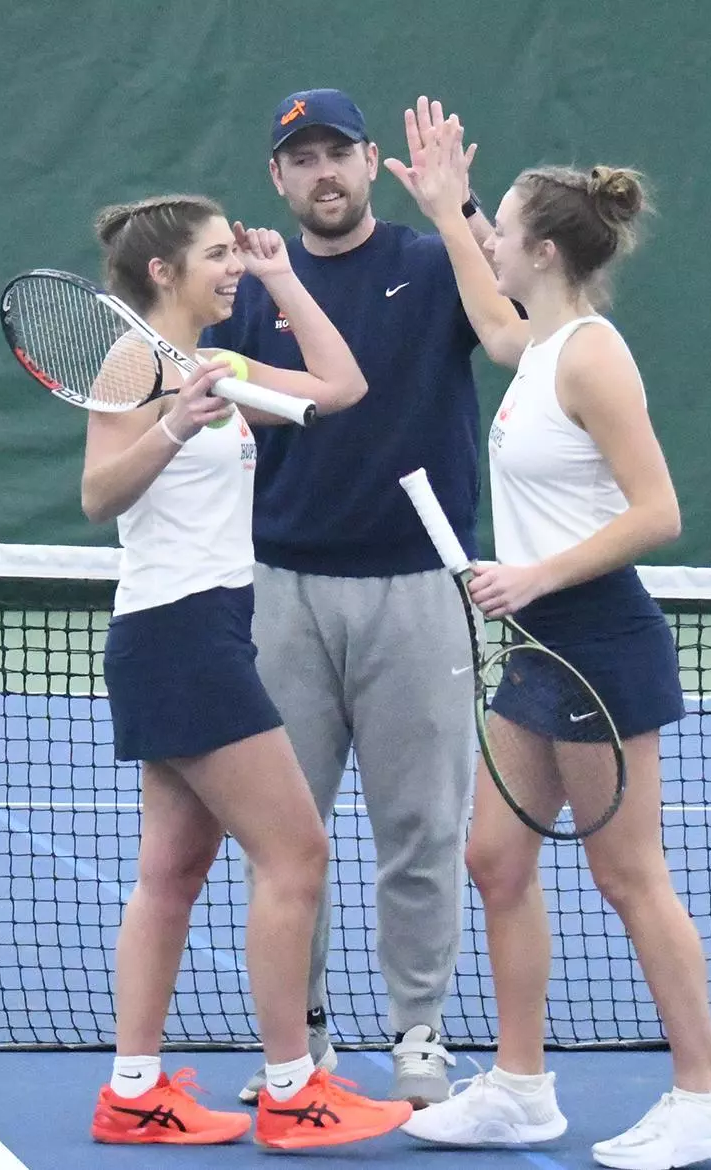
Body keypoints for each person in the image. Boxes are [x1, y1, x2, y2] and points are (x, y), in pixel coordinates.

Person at [387, 113, 711, 1168]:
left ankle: (707, 1095)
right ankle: (518, 1088)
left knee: (629, 876)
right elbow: (492, 319)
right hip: (539, 646)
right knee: (496, 859)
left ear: (544, 250)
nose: (490, 239)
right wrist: (447, 210)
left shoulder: (593, 356)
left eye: (501, 227)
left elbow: (658, 512)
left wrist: (534, 574)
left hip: (598, 638)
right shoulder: (538, 345)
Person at [81, 192, 413, 1150]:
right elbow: (100, 494)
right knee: (296, 854)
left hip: (212, 625)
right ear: (163, 272)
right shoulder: (135, 360)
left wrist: (281, 277)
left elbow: (341, 385)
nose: (233, 266)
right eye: (220, 255)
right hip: (177, 633)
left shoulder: (214, 360)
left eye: (236, 254)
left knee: (173, 874)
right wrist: (178, 423)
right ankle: (292, 1090)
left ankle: (135, 1091)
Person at [201, 90, 496, 1108]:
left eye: (338, 152)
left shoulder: (430, 263)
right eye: (301, 158)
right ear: (277, 179)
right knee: (289, 835)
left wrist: (466, 215)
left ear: (372, 163)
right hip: (281, 590)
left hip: (420, 593)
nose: (322, 172)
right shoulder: (245, 290)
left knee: (423, 828)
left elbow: (518, 314)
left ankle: (420, 1033)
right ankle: (303, 1042)